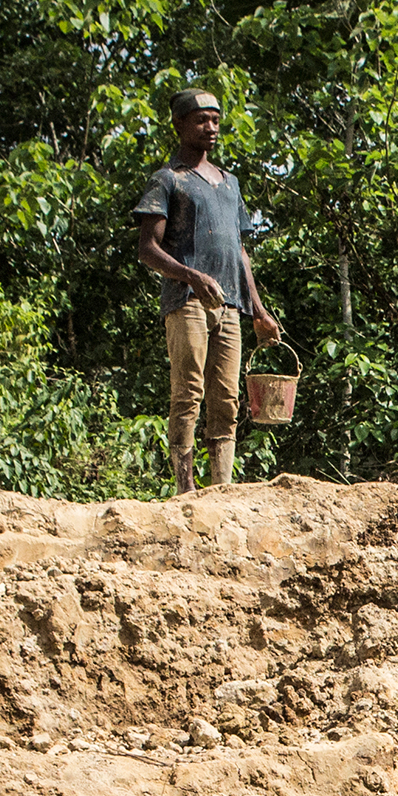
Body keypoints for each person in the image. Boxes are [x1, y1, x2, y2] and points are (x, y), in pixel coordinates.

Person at [134, 88, 282, 496]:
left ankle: (223, 489)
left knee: (228, 399)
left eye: (216, 119)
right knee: (189, 393)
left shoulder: (229, 183)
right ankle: (185, 489)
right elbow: (148, 249)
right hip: (187, 303)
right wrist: (191, 276)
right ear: (180, 124)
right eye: (201, 119)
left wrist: (258, 310)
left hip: (231, 306)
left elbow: (239, 251)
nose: (211, 127)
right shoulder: (168, 180)